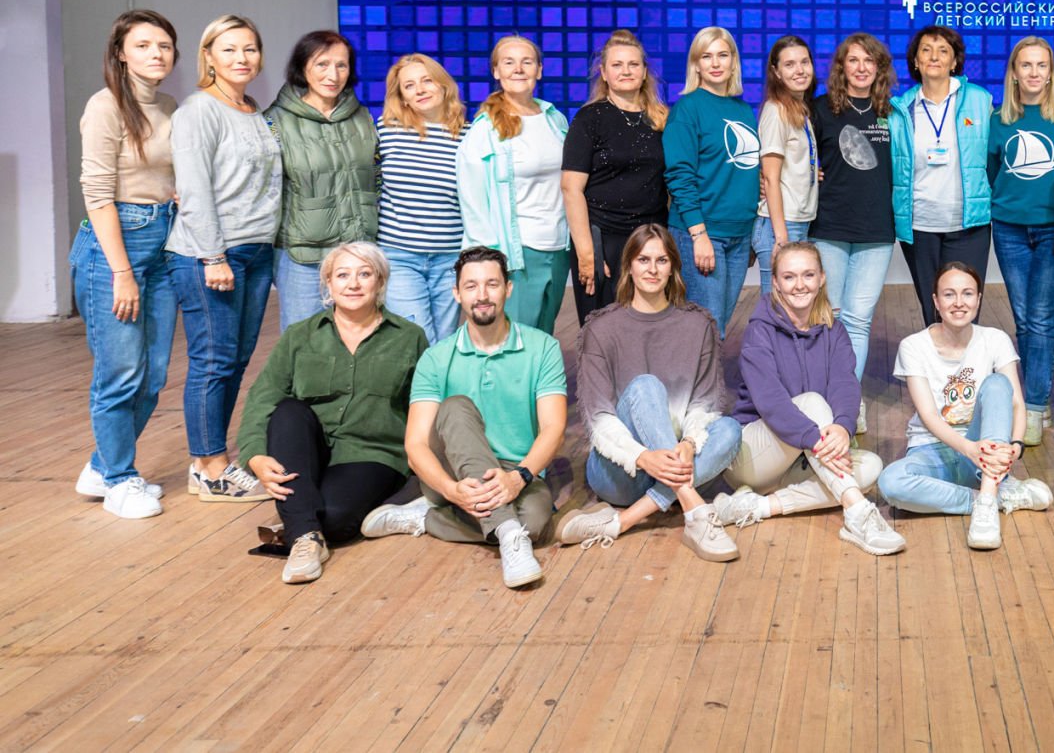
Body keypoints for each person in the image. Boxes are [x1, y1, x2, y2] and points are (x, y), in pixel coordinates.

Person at [360, 246, 567, 589]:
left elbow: (554, 428)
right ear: (457, 293)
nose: (482, 295)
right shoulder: (436, 358)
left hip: (514, 469)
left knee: (533, 524)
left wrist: (519, 478)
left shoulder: (543, 347)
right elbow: (416, 444)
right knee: (455, 406)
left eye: (492, 284)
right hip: (453, 470)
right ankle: (507, 532)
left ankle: (427, 518)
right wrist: (451, 490)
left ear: (508, 288)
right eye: (471, 286)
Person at [236, 243, 427, 583]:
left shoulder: (409, 338)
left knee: (336, 521)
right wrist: (254, 456)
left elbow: (425, 407)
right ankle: (306, 539)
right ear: (328, 282)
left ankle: (303, 520)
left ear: (380, 281)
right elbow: (262, 398)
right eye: (342, 275)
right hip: (310, 451)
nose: (353, 284)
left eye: (364, 274)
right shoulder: (300, 336)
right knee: (287, 411)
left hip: (373, 453)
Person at [555, 225, 744, 561]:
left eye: (661, 260)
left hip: (677, 465)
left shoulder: (699, 324)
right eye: (643, 260)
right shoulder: (601, 328)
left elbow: (703, 405)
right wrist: (643, 457)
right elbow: (600, 422)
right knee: (646, 386)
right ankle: (695, 511)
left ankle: (623, 521)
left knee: (730, 430)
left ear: (673, 268)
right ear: (629, 266)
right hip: (620, 471)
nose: (652, 269)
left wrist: (689, 444)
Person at [711, 242, 906, 556]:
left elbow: (845, 385)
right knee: (813, 403)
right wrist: (819, 440)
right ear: (776, 282)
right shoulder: (759, 332)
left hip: (804, 456)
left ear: (822, 278)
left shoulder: (834, 331)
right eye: (789, 277)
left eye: (808, 275)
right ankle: (858, 513)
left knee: (871, 467)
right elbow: (771, 403)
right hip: (753, 456)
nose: (799, 285)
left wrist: (842, 427)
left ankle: (757, 507)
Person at [166, 14, 282, 503]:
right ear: (208, 56)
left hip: (256, 250)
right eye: (229, 49)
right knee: (213, 362)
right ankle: (210, 468)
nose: (241, 58)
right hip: (211, 253)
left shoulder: (253, 110)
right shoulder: (199, 111)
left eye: (250, 49)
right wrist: (214, 256)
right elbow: (193, 190)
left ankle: (211, 459)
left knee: (234, 360)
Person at [71, 10, 180, 519]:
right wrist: (121, 272)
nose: (156, 53)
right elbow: (96, 195)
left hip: (161, 242)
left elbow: (163, 175)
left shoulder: (169, 106)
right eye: (143, 45)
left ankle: (101, 467)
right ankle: (118, 480)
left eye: (164, 45)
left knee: (153, 375)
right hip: (113, 248)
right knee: (120, 373)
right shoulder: (105, 107)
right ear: (120, 53)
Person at [877, 263, 1052, 550]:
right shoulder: (913, 346)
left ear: (978, 299)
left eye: (967, 294)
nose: (959, 302)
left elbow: (1016, 405)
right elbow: (929, 415)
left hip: (984, 451)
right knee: (891, 483)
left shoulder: (994, 339)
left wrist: (1016, 446)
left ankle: (987, 498)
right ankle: (991, 499)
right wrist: (968, 449)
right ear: (936, 301)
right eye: (949, 294)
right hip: (933, 449)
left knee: (997, 384)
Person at [809, 33, 898, 432]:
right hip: (828, 226)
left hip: (876, 230)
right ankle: (824, 400)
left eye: (869, 61)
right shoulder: (819, 110)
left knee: (859, 321)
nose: (861, 68)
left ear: (879, 68)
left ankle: (849, 401)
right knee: (830, 317)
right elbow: (798, 156)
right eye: (853, 60)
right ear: (841, 67)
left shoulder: (893, 113)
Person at [457, 35, 571, 333]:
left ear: (539, 70)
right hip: (515, 253)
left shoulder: (555, 119)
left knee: (543, 336)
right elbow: (473, 202)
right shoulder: (485, 129)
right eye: (509, 62)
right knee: (515, 337)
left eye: (527, 62)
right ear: (496, 71)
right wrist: (488, 259)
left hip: (558, 247)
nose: (518, 69)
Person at [987, 36, 1054, 447]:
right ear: (1014, 73)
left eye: (1042, 65)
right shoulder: (997, 120)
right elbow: (991, 170)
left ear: (1051, 73)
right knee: (1023, 318)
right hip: (1009, 228)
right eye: (1026, 65)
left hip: (1053, 228)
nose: (1034, 73)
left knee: (1043, 319)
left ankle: (1035, 404)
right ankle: (1034, 395)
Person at [268, 30, 379, 330]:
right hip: (303, 257)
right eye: (322, 64)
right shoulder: (275, 121)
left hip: (358, 252)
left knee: (358, 339)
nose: (333, 74)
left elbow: (377, 177)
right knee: (304, 342)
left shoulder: (363, 117)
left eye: (342, 65)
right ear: (302, 66)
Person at [562, 29, 669, 325]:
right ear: (604, 73)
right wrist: (587, 253)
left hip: (650, 241)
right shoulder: (589, 119)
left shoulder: (662, 119)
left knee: (650, 329)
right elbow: (571, 189)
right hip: (602, 240)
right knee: (603, 329)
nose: (626, 71)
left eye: (633, 64)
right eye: (617, 65)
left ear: (644, 72)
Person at [889, 25, 994, 324]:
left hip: (969, 225)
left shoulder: (980, 100)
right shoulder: (900, 109)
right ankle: (937, 357)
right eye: (926, 50)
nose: (934, 57)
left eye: (943, 51)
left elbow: (997, 155)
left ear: (954, 61)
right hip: (920, 225)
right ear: (915, 61)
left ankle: (965, 358)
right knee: (932, 310)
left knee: (964, 310)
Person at [662, 26, 759, 338]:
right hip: (703, 233)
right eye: (706, 56)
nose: (715, 63)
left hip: (739, 235)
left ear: (733, 62)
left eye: (723, 55)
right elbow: (679, 175)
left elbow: (748, 171)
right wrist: (699, 234)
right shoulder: (687, 109)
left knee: (718, 328)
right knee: (706, 330)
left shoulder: (743, 110)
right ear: (696, 65)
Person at [376, 53, 468, 343]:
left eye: (427, 80)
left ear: (443, 85)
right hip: (399, 255)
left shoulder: (469, 135)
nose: (420, 90)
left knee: (445, 340)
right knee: (418, 338)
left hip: (451, 257)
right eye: (409, 85)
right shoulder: (386, 131)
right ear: (402, 97)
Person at [753, 35, 819, 296]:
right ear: (776, 72)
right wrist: (781, 237)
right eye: (789, 64)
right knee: (777, 309)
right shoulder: (776, 110)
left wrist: (811, 172)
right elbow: (770, 178)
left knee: (793, 306)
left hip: (798, 222)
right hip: (780, 225)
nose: (799, 70)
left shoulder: (799, 109)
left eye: (804, 62)